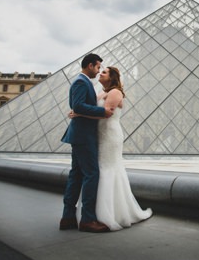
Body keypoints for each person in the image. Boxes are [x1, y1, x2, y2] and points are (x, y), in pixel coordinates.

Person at [71, 66, 152, 231]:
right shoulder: (100, 92)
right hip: (99, 135)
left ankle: (109, 214)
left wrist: (78, 113)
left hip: (110, 135)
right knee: (99, 171)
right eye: (100, 70)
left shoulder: (115, 92)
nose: (101, 73)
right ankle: (94, 214)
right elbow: (90, 108)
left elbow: (105, 113)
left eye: (104, 72)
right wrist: (78, 111)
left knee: (107, 170)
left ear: (112, 77)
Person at [59, 53, 113, 233]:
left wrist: (79, 111)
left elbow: (77, 107)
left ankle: (68, 217)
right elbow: (78, 105)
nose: (98, 72)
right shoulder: (82, 82)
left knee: (76, 175)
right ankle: (87, 219)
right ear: (90, 65)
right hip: (83, 136)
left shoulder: (82, 82)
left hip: (80, 135)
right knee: (91, 174)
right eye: (98, 67)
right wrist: (102, 111)